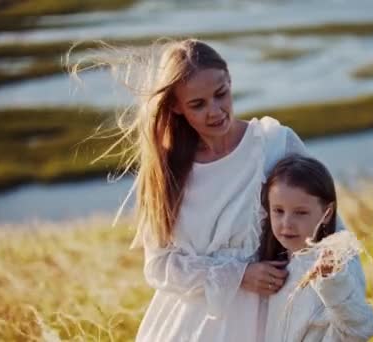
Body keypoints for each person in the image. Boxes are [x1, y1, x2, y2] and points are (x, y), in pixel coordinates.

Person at [85, 38, 322, 341]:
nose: (215, 111)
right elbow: (158, 267)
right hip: (190, 325)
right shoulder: (167, 169)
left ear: (230, 81)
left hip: (272, 316)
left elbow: (324, 222)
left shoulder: (276, 144)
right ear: (176, 106)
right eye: (198, 104)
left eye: (221, 94)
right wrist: (240, 276)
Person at [259, 155, 373, 342]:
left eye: (300, 212)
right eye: (278, 210)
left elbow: (360, 329)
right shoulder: (275, 263)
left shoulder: (338, 266)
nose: (286, 223)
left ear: (327, 213)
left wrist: (332, 280)